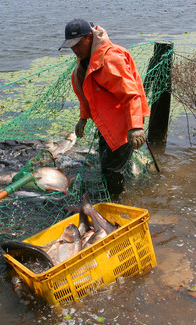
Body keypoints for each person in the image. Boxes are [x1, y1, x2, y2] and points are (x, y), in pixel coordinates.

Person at [59, 19, 150, 196]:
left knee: (112, 169)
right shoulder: (86, 60)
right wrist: (83, 119)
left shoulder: (110, 59)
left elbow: (131, 94)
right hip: (107, 119)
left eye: (78, 44)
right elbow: (88, 94)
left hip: (126, 119)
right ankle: (114, 190)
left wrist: (136, 127)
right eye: (70, 45)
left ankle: (117, 201)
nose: (75, 49)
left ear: (90, 37)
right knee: (105, 157)